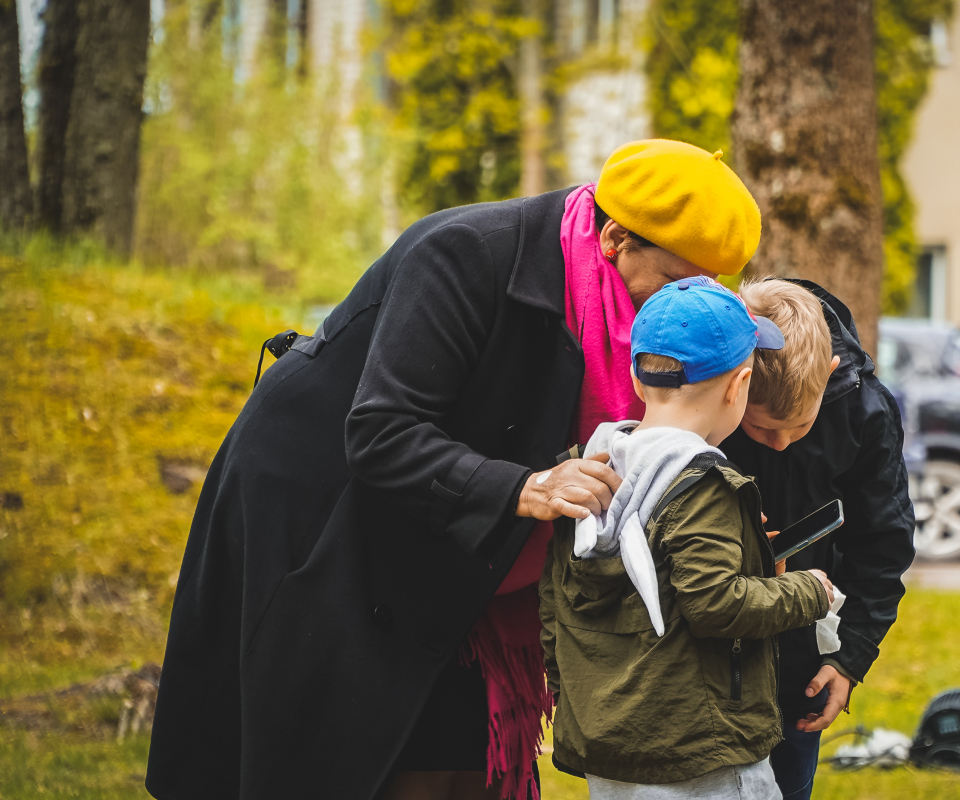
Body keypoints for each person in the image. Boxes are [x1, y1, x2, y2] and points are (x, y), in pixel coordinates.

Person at [145, 139, 762, 800]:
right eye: (672, 283)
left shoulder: (632, 301)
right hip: (324, 513)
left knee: (460, 749)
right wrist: (525, 486)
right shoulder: (468, 252)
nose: (681, 307)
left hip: (461, 530)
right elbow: (381, 429)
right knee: (340, 755)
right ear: (615, 239)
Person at [540, 276, 835, 799]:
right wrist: (810, 590)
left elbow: (553, 605)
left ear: (636, 378)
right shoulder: (703, 486)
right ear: (738, 386)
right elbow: (716, 604)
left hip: (612, 752)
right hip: (704, 758)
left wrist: (577, 699)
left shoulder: (588, 469)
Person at [719, 278, 917, 800]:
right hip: (704, 657)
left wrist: (848, 658)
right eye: (761, 431)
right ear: (734, 385)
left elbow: (883, 543)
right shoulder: (707, 385)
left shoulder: (865, 410)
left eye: (799, 426)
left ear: (828, 375)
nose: (781, 444)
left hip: (798, 662)